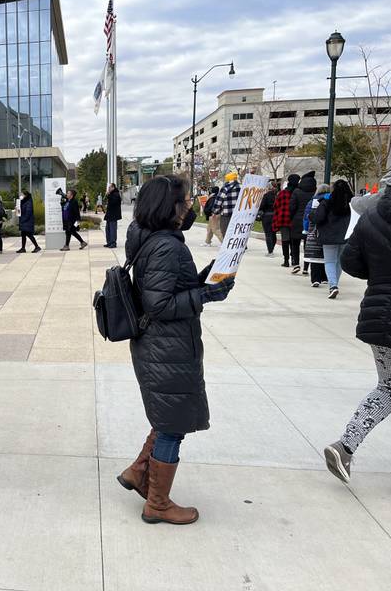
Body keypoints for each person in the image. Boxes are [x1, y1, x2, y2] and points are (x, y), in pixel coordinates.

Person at [118, 175, 235, 525]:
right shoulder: (167, 246)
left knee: (170, 415)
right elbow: (160, 305)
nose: (189, 208)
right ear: (168, 206)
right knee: (173, 423)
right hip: (164, 347)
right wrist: (207, 294)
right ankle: (157, 503)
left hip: (163, 345)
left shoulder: (155, 238)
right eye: (185, 203)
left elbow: (169, 287)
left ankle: (139, 471)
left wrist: (206, 278)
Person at [323, 168, 391, 485]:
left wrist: (381, 275)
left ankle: (346, 446)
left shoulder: (369, 217)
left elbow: (351, 262)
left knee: (388, 388)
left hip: (379, 316)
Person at [313, 179, 352, 299]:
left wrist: (311, 215)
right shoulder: (351, 203)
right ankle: (334, 284)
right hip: (345, 236)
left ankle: (333, 285)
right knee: (339, 262)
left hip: (329, 236)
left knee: (330, 261)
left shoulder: (326, 202)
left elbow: (318, 217)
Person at [289, 171, 317, 275]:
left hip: (297, 220)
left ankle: (296, 264)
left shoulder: (296, 191)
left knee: (295, 243)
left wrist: (291, 218)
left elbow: (292, 207)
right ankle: (306, 267)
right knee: (308, 246)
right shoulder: (315, 192)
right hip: (310, 221)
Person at [302, 183, 329, 287]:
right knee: (326, 255)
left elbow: (306, 217)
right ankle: (325, 277)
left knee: (315, 255)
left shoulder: (312, 201)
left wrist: (305, 229)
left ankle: (315, 279)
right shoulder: (331, 201)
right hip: (327, 231)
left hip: (313, 231)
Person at [273, 174, 300, 268]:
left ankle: (286, 260)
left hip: (283, 219)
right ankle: (294, 259)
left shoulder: (282, 193)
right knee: (294, 240)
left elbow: (276, 206)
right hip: (294, 221)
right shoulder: (298, 192)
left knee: (285, 240)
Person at [212, 172, 241, 237]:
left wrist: (214, 211)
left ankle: (228, 245)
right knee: (236, 231)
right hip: (238, 214)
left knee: (225, 232)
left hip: (226, 214)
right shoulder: (241, 187)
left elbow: (219, 201)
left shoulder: (225, 188)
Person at [17, 189, 41, 253]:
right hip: (24, 221)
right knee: (23, 235)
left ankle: (37, 247)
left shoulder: (28, 202)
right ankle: (23, 248)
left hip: (27, 221)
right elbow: (20, 210)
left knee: (29, 234)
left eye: (22, 195)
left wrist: (23, 220)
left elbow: (28, 212)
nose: (20, 196)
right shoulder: (23, 201)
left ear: (25, 195)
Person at [259, 180, 278, 257]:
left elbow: (262, 206)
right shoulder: (277, 195)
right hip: (275, 216)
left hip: (267, 216)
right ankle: (272, 248)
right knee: (273, 233)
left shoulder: (266, 195)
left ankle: (270, 251)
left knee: (268, 234)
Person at [104, 182, 122, 248]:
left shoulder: (116, 194)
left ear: (113, 187)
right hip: (109, 215)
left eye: (109, 187)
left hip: (113, 215)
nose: (108, 189)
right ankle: (109, 242)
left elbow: (114, 202)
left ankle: (113, 243)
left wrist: (108, 195)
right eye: (108, 187)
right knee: (107, 229)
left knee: (112, 229)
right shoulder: (112, 194)